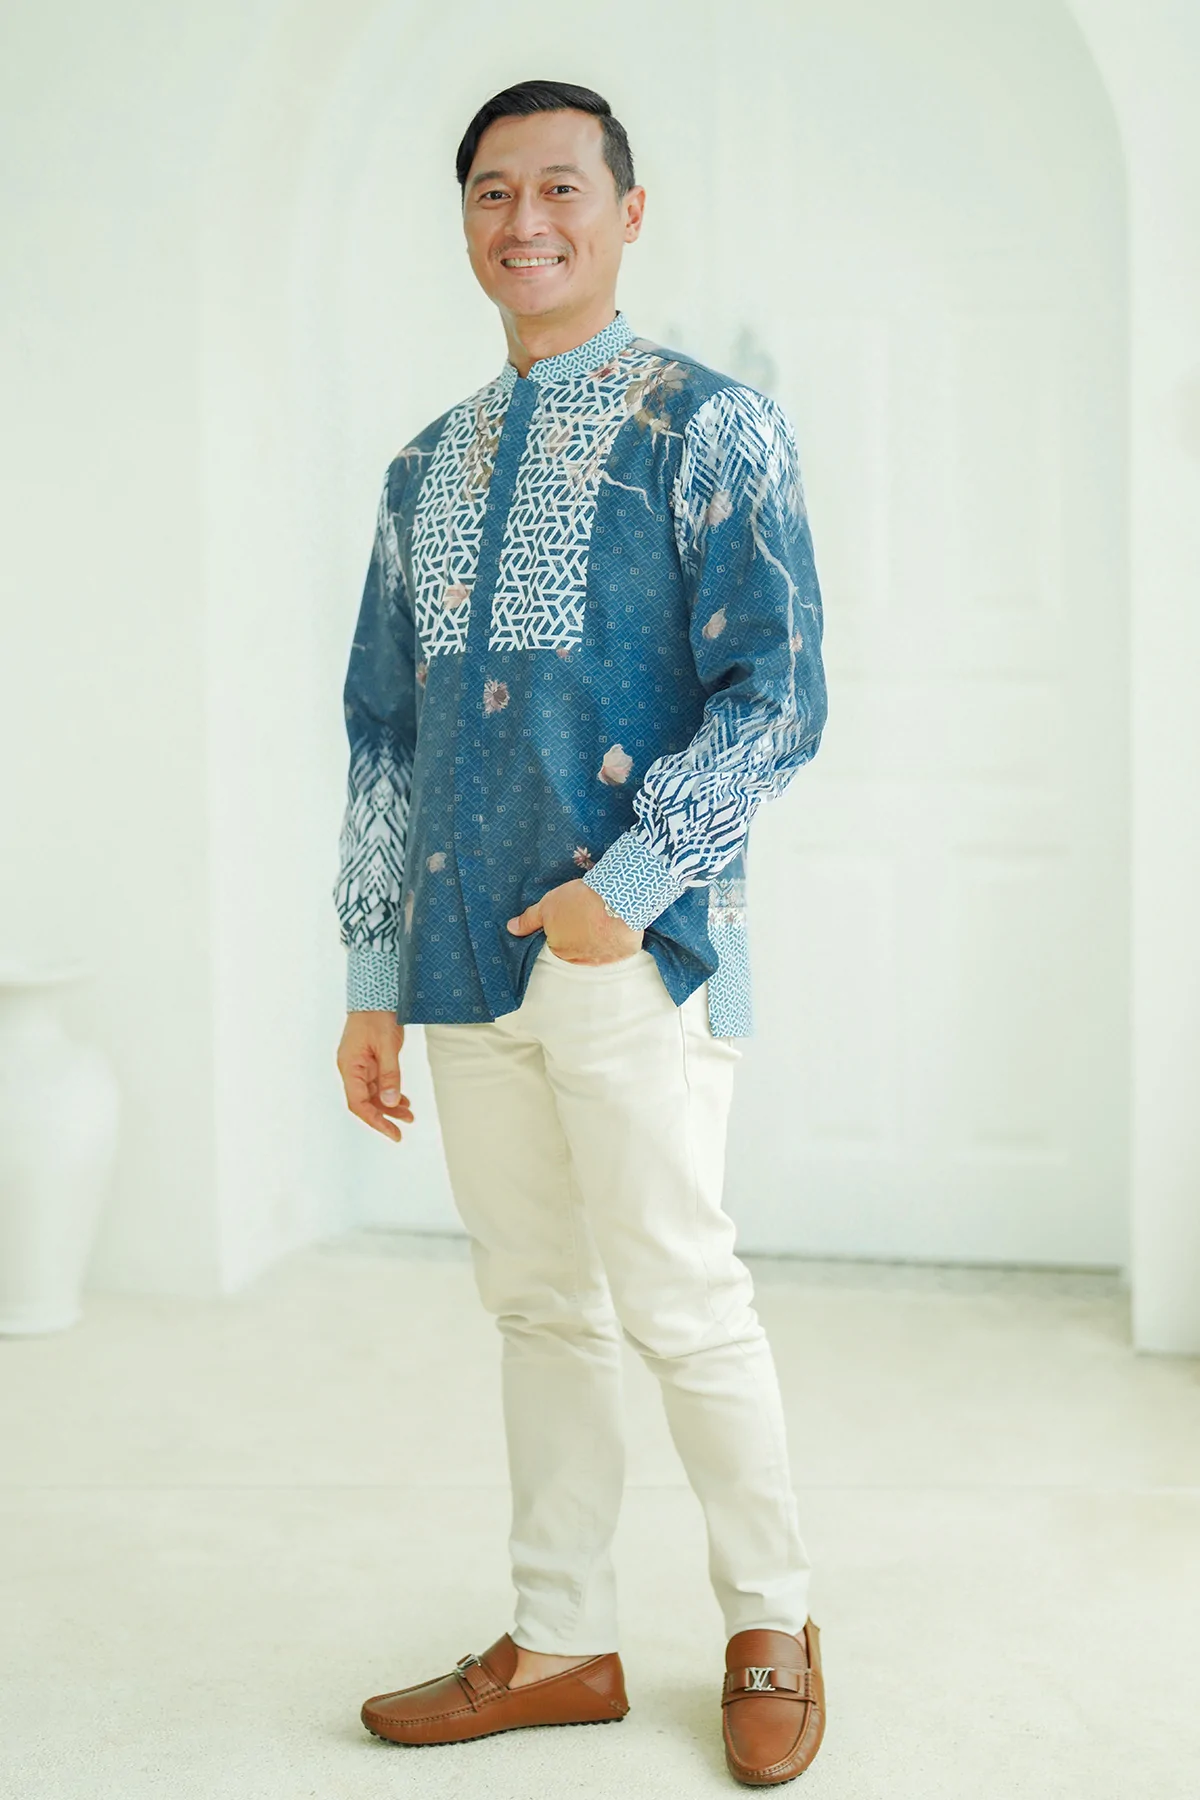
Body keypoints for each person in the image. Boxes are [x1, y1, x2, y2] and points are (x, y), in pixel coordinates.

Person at [333, 78, 829, 1788]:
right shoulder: (421, 467)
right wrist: (370, 977)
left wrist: (631, 888)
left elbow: (779, 695)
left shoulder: (709, 427)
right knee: (539, 1305)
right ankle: (559, 1638)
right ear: (465, 222)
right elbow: (384, 735)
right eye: (492, 192)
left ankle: (771, 1622)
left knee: (680, 1295)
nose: (524, 221)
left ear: (628, 211)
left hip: (634, 947)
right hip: (463, 956)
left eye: (560, 187)